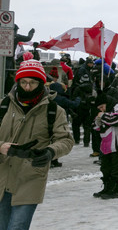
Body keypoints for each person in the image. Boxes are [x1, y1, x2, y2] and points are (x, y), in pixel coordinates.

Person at [0, 56, 74, 228]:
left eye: (32, 83)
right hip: (2, 175)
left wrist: (50, 152)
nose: (27, 87)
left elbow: (65, 140)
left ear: (41, 83)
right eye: (23, 82)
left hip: (30, 178)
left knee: (17, 226)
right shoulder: (3, 105)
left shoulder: (54, 110)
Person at [92, 91, 118, 199]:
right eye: (99, 109)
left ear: (107, 102)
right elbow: (96, 127)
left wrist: (103, 116)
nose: (101, 110)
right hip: (107, 145)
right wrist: (98, 120)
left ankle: (114, 190)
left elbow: (117, 120)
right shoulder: (106, 113)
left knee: (117, 168)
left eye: (102, 107)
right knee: (105, 167)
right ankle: (106, 188)